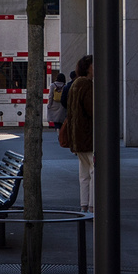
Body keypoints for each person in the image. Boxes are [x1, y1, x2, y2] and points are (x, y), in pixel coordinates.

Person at [60, 55, 94, 212]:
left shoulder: (74, 85)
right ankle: (93, 206)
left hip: (77, 138)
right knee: (94, 172)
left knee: (84, 174)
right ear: (88, 68)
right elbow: (93, 110)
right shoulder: (87, 85)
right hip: (89, 137)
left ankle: (84, 205)